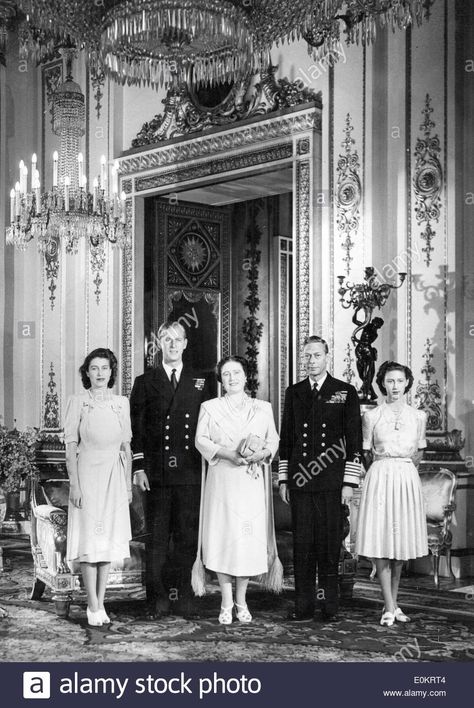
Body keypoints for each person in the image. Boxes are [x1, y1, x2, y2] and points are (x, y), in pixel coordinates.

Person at [278, 335, 362, 622]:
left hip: (332, 483)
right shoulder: (294, 392)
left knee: (328, 547)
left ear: (327, 356)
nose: (311, 361)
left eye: (316, 355)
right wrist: (284, 479)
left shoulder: (344, 391)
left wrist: (349, 483)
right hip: (301, 483)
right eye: (307, 356)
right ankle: (303, 606)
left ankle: (328, 608)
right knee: (303, 547)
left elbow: (354, 441)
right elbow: (287, 438)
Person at [130, 321, 210, 619]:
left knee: (187, 538)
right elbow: (136, 430)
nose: (173, 345)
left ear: (186, 343)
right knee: (158, 540)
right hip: (157, 474)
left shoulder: (201, 380)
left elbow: (208, 427)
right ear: (159, 344)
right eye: (167, 339)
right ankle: (157, 600)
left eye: (178, 340)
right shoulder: (145, 381)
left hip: (190, 474)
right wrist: (139, 467)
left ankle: (183, 596)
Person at [194, 355, 282, 624]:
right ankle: (225, 600)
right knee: (223, 538)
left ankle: (242, 600)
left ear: (246, 376)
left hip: (250, 481)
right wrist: (227, 453)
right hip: (222, 479)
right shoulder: (209, 407)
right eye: (227, 374)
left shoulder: (262, 407)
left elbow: (273, 439)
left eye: (237, 373)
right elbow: (200, 439)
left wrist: (262, 453)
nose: (232, 378)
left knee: (245, 541)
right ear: (221, 379)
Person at [355, 360, 429, 626]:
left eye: (400, 380)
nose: (395, 386)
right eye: (390, 381)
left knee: (400, 545)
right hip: (380, 477)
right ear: (382, 384)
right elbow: (365, 452)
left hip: (406, 478)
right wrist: (382, 470)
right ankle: (388, 606)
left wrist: (403, 471)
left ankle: (394, 604)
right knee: (382, 541)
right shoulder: (372, 416)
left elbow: (419, 454)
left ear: (407, 383)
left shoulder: (418, 416)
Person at [65, 348, 132, 627]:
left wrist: (127, 486)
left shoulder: (121, 403)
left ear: (111, 372)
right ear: (87, 372)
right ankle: (92, 604)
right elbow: (70, 448)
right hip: (87, 476)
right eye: (94, 368)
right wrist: (75, 486)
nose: (100, 373)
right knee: (91, 543)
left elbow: (127, 447)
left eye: (105, 368)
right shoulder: (77, 402)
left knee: (105, 546)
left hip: (113, 478)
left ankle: (101, 602)